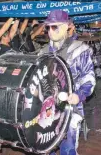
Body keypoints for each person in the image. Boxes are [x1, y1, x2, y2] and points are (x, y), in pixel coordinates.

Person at [38, 10, 96, 155]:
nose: (50, 31)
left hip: (70, 109)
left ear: (66, 27)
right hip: (46, 112)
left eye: (55, 27)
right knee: (46, 149)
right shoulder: (42, 53)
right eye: (48, 27)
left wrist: (79, 95)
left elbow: (88, 78)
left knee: (68, 149)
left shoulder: (80, 49)